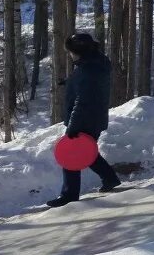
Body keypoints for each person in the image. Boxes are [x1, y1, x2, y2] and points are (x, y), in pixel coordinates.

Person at [47, 33, 122, 208]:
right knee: (88, 151)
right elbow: (87, 85)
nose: (70, 55)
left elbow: (83, 99)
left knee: (72, 153)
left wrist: (73, 126)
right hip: (95, 117)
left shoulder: (87, 70)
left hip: (85, 118)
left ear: (78, 51)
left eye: (71, 51)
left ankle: (69, 195)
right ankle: (110, 178)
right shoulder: (96, 63)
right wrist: (69, 81)